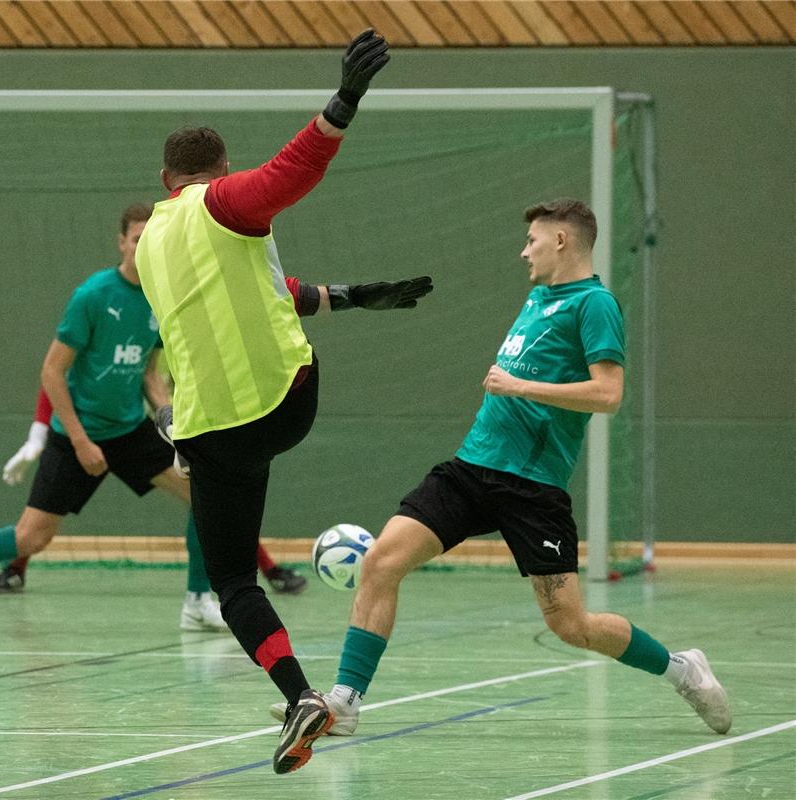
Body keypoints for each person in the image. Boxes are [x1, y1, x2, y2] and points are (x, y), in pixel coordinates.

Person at [293, 199, 731, 741]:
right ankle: (346, 701)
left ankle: (681, 668)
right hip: (471, 468)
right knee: (382, 561)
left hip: (532, 486)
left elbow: (609, 394)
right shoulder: (538, 297)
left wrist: (520, 386)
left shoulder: (594, 305)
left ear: (563, 242)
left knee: (571, 625)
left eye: (533, 240)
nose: (525, 251)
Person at [135, 29, 432, 774]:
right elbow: (289, 174)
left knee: (234, 582)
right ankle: (306, 702)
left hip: (211, 430)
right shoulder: (224, 200)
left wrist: (346, 296)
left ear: (164, 177)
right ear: (215, 172)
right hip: (285, 400)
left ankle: (297, 688)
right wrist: (344, 99)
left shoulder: (149, 243)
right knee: (234, 570)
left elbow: (264, 288)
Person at [0, 204, 231, 634]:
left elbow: (148, 371)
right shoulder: (93, 295)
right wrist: (79, 441)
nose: (144, 245)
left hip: (128, 429)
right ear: (122, 242)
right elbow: (52, 372)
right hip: (78, 432)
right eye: (136, 238)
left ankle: (198, 601)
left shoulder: (160, 298)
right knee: (31, 538)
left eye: (153, 238)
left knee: (203, 491)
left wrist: (165, 414)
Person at [0, 388, 308, 595]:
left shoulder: (174, 332)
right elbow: (57, 372)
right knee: (43, 512)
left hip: (142, 434)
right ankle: (16, 566)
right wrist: (38, 433)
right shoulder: (109, 311)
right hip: (98, 431)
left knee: (210, 493)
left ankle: (263, 570)